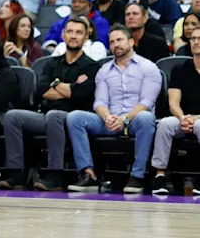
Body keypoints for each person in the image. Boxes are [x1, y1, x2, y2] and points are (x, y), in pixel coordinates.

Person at [0, 18, 99, 191]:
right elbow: (40, 90)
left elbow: (80, 96)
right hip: (45, 115)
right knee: (12, 116)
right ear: (63, 35)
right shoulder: (51, 62)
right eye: (70, 32)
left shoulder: (91, 66)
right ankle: (16, 173)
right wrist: (71, 86)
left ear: (86, 37)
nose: (73, 36)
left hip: (73, 118)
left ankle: (55, 174)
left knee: (54, 116)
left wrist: (56, 85)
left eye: (79, 33)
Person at [67, 25, 161, 194]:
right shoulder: (104, 70)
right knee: (75, 118)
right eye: (112, 42)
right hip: (110, 121)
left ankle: (137, 176)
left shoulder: (148, 68)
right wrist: (107, 116)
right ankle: (88, 174)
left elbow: (147, 102)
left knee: (146, 118)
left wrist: (124, 119)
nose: (115, 45)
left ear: (131, 42)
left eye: (120, 40)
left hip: (134, 121)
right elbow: (100, 102)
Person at [150, 27, 200, 195]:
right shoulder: (180, 69)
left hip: (199, 120)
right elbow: (173, 102)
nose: (196, 42)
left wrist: (196, 118)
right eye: (193, 39)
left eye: (199, 38)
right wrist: (183, 118)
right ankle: (160, 175)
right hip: (183, 118)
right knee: (165, 124)